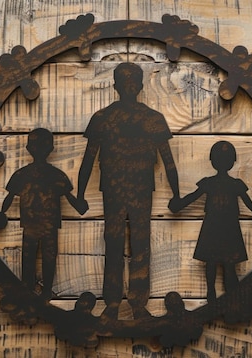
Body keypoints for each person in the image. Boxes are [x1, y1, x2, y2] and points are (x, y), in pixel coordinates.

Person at [76, 63, 180, 319]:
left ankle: (120, 305)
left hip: (120, 189)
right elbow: (168, 161)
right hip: (136, 188)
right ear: (140, 86)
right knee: (138, 244)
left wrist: (79, 195)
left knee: (117, 243)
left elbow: (89, 160)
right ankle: (132, 305)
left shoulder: (103, 118)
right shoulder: (152, 119)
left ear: (116, 86)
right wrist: (176, 193)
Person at [1, 128, 86, 300]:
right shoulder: (56, 175)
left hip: (35, 224)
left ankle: (31, 288)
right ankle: (42, 290)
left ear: (28, 148)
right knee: (46, 256)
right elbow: (70, 197)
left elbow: (8, 198)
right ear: (51, 149)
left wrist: (0, 213)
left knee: (31, 256)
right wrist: (80, 207)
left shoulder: (22, 174)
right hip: (46, 224)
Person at [169, 140, 252, 303]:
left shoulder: (219, 183)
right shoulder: (228, 184)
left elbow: (193, 197)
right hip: (219, 226)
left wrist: (180, 204)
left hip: (221, 226)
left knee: (217, 262)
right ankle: (217, 294)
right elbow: (247, 202)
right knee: (219, 262)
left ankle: (221, 294)